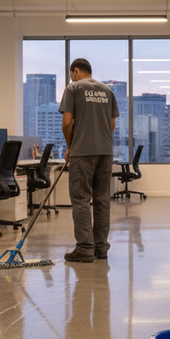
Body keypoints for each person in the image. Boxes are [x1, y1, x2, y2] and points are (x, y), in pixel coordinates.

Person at [59, 58, 120, 263]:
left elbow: (67, 122)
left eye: (71, 74)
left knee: (81, 199)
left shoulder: (73, 88)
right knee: (102, 200)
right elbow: (111, 125)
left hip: (82, 153)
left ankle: (85, 248)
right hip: (105, 152)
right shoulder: (108, 91)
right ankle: (101, 248)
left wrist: (70, 146)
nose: (71, 77)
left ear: (76, 70)